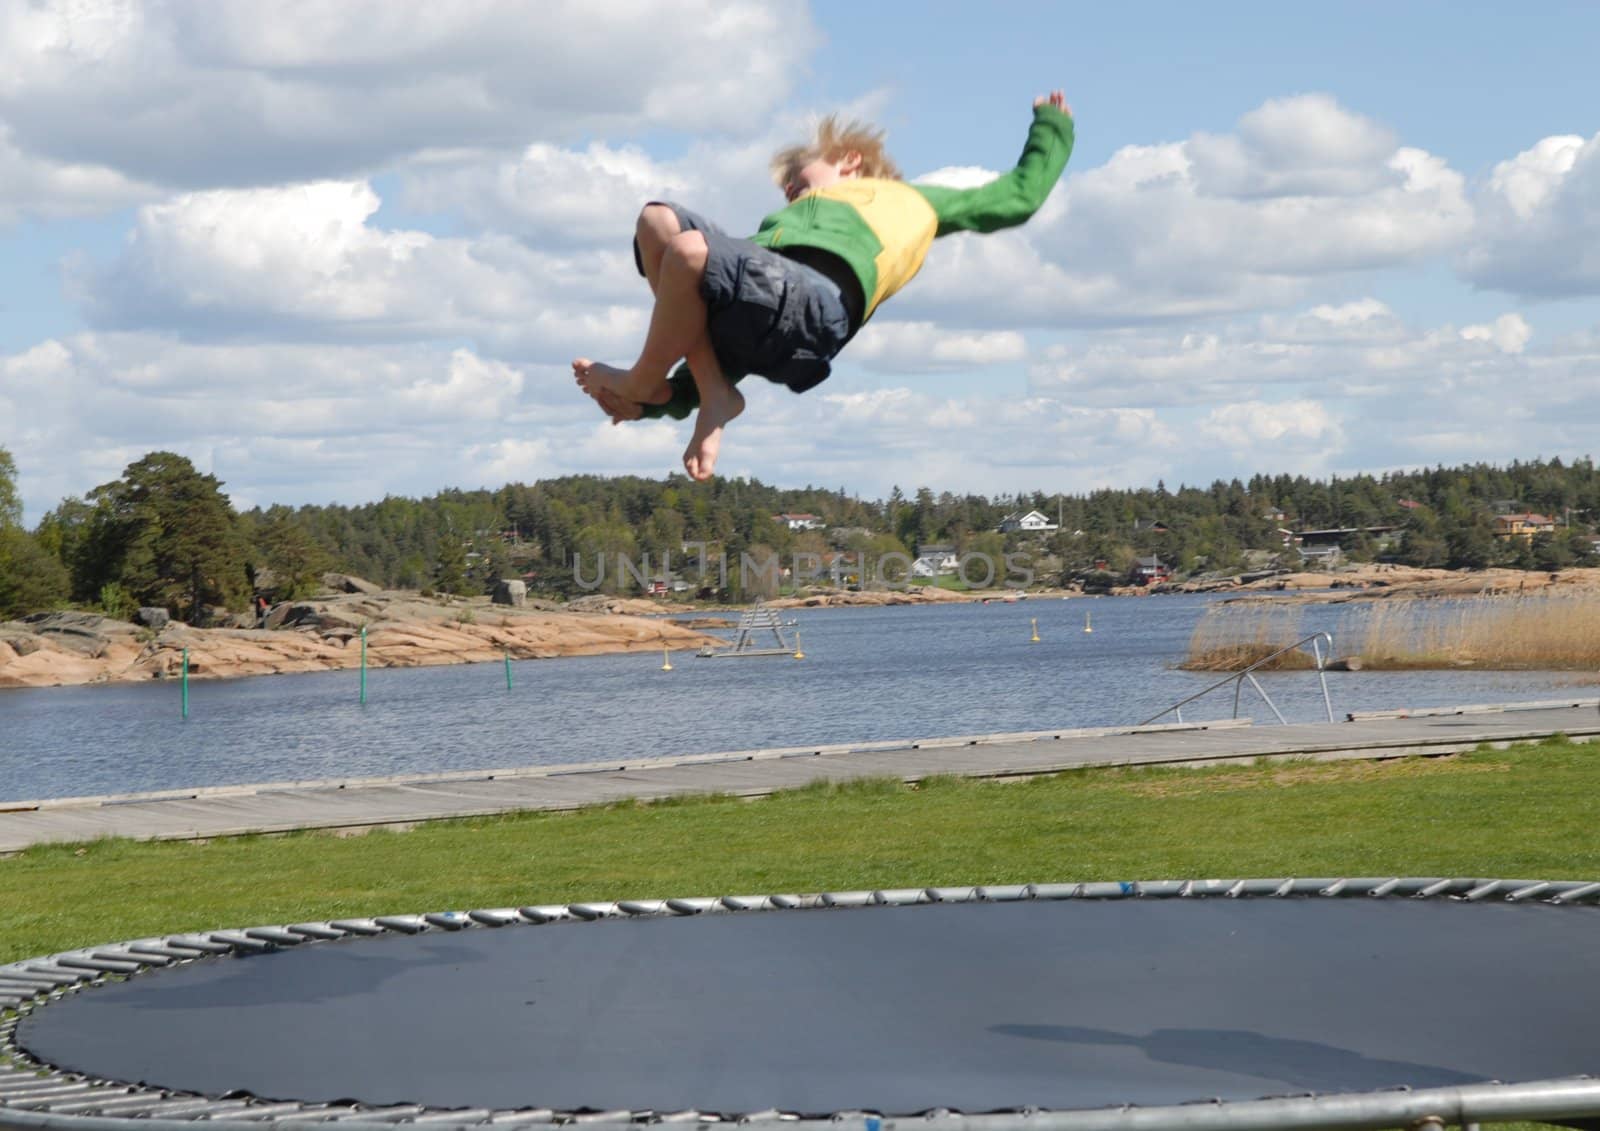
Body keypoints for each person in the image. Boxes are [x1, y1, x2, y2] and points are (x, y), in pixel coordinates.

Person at [575, 90, 1074, 481]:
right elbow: (704, 340)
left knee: (689, 253)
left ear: (850, 161)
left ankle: (649, 380)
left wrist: (1050, 128)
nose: (788, 188)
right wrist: (647, 406)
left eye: (797, 175)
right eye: (784, 186)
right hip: (769, 300)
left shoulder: (907, 199)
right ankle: (703, 397)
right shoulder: (768, 237)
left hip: (818, 304)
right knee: (658, 222)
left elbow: (1018, 197)